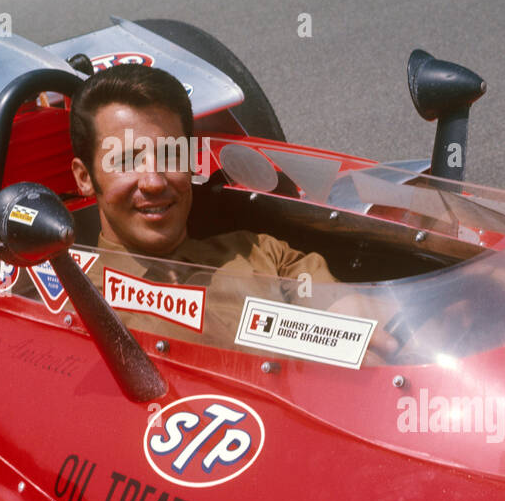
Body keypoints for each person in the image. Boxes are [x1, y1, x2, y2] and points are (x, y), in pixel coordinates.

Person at [67, 63, 379, 350]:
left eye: (170, 156)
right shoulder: (74, 305)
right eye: (126, 161)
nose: (154, 181)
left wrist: (352, 324)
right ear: (84, 178)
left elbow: (362, 330)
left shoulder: (263, 254)